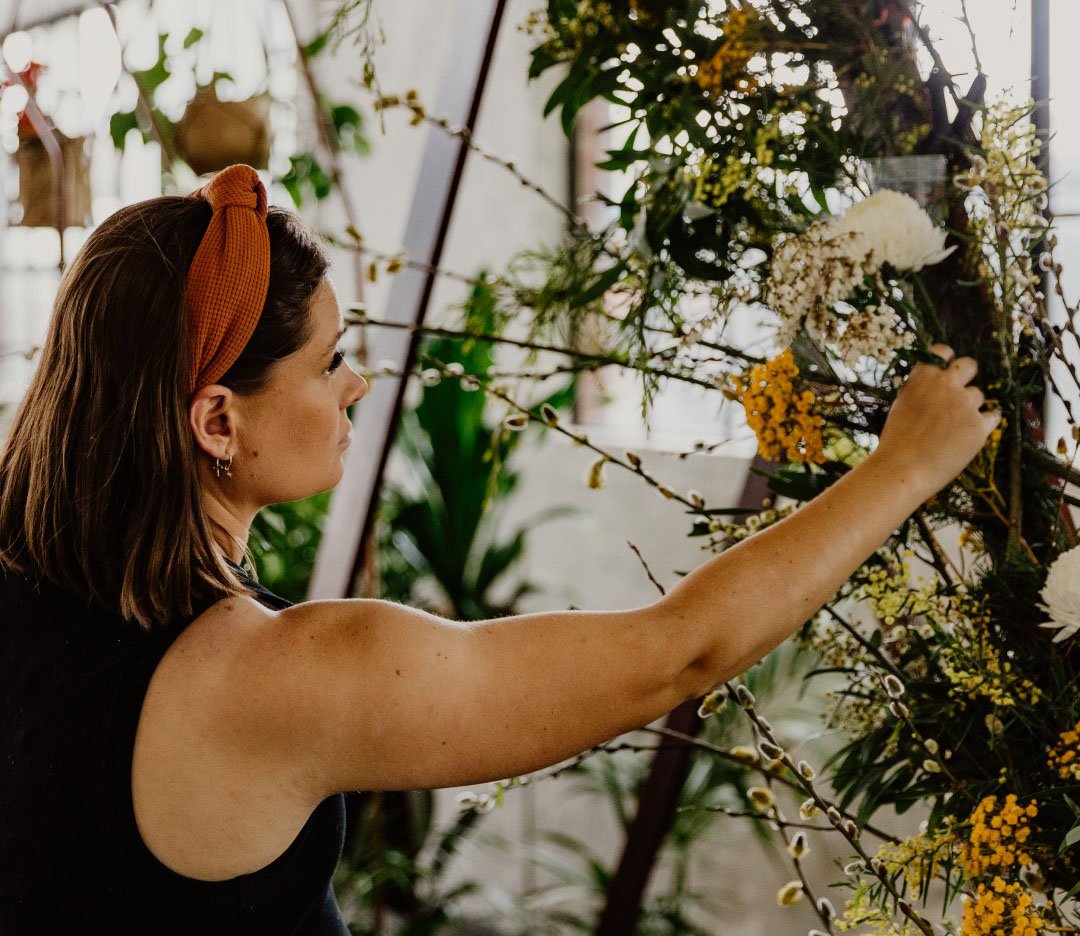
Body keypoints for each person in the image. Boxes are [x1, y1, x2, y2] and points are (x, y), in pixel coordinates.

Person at [0, 164, 999, 934]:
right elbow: (677, 651)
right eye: (332, 359)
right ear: (217, 421)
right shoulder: (262, 679)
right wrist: (902, 468)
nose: (356, 384)